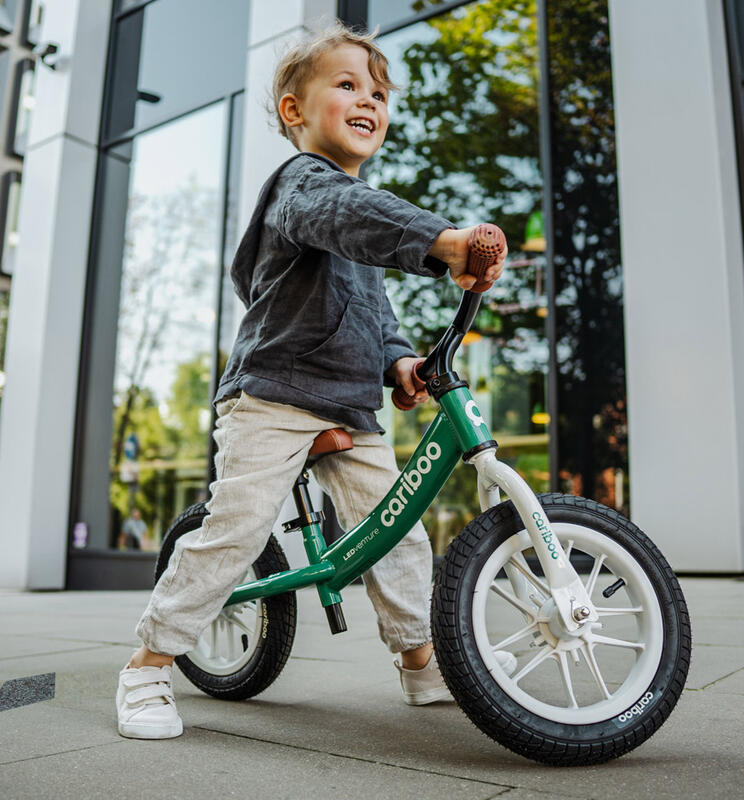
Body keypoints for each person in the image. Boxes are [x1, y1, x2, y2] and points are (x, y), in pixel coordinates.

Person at [116, 21, 508, 740]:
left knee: (398, 533)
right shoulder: (305, 187)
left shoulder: (358, 221)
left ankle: (420, 660)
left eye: (380, 92)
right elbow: (345, 213)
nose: (370, 100)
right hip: (273, 394)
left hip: (351, 407)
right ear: (295, 111)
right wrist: (441, 240)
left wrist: (398, 362)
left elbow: (375, 310)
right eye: (349, 84)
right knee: (236, 527)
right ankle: (149, 664)